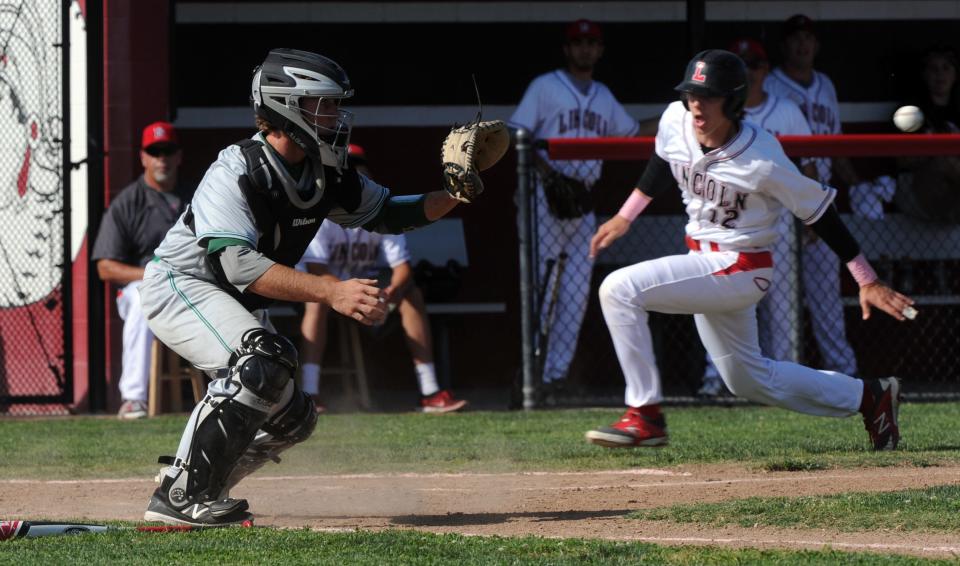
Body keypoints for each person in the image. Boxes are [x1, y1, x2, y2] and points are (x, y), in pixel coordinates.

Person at [138, 48, 469, 526]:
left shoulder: (325, 169)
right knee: (260, 362)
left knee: (293, 418)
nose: (336, 115)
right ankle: (182, 497)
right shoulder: (236, 170)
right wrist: (332, 290)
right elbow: (238, 265)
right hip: (183, 282)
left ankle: (200, 480)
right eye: (324, 104)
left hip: (231, 298)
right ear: (285, 106)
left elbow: (390, 213)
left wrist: (455, 193)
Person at [584, 49, 914, 452]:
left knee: (618, 289)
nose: (696, 104)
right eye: (691, 93)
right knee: (747, 379)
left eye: (710, 96)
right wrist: (625, 216)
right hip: (703, 261)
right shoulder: (676, 119)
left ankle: (645, 415)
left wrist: (866, 278)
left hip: (741, 265)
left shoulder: (762, 157)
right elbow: (662, 158)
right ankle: (869, 397)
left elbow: (819, 211)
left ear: (734, 100)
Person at [508, 19, 638, 399]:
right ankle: (531, 374)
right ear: (567, 49)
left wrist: (671, 120)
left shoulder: (603, 96)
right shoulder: (546, 87)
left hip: (582, 200)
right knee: (541, 289)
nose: (584, 49)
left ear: (599, 50)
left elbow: (629, 132)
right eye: (578, 42)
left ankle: (555, 376)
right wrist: (549, 176)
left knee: (577, 292)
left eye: (591, 43)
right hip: (543, 200)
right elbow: (518, 134)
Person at [298, 144, 467, 413]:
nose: (356, 175)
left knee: (411, 293)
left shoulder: (376, 208)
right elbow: (317, 272)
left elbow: (402, 268)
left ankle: (430, 392)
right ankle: (309, 394)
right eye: (350, 170)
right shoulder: (322, 213)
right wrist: (345, 293)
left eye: (360, 169)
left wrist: (390, 293)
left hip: (368, 291)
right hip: (327, 292)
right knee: (315, 301)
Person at [697, 38, 816, 398]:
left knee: (783, 314)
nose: (750, 72)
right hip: (730, 222)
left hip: (778, 222)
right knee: (717, 305)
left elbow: (807, 165)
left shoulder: (786, 111)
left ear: (765, 70)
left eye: (755, 65)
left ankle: (786, 382)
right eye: (743, 65)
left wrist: (808, 219)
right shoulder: (713, 113)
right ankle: (714, 380)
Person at [763, 14, 864, 378]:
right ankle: (776, 372)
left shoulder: (826, 85)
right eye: (795, 38)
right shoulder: (770, 86)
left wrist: (855, 186)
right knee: (775, 298)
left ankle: (842, 370)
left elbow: (833, 146)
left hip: (820, 200)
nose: (802, 44)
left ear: (816, 45)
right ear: (784, 45)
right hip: (779, 204)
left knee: (826, 297)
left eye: (808, 38)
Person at [91, 121, 187, 419]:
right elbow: (105, 268)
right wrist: (151, 275)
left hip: (187, 286)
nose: (162, 158)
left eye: (167, 151)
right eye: (154, 152)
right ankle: (133, 398)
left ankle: (238, 394)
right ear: (143, 157)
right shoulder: (127, 203)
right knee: (141, 299)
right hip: (141, 286)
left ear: (178, 156)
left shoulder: (195, 197)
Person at [893, 44, 960, 224]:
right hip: (915, 189)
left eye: (946, 68)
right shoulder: (910, 111)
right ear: (924, 74)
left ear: (955, 74)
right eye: (933, 68)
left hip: (954, 192)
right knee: (943, 162)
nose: (940, 74)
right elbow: (902, 159)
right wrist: (937, 153)